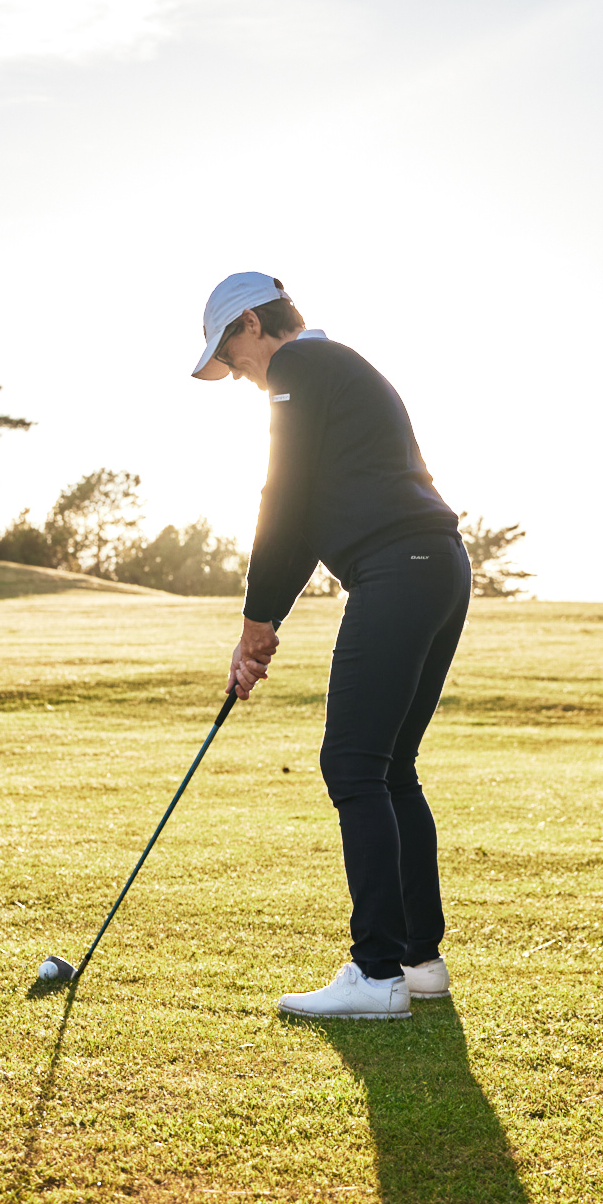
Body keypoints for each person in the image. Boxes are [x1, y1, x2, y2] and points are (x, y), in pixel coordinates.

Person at [193, 271, 467, 1022]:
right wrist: (264, 622)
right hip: (436, 563)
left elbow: (281, 498)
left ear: (254, 322)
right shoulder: (334, 370)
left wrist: (254, 625)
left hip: (401, 566)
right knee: (388, 766)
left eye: (232, 349)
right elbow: (308, 514)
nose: (239, 371)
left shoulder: (300, 365)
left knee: (351, 764)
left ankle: (376, 971)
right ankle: (419, 964)